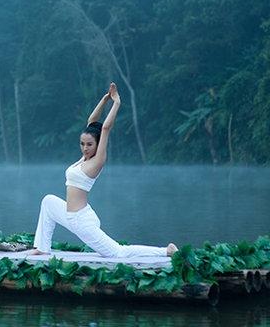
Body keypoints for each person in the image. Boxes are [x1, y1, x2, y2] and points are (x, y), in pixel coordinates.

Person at [31, 82, 178, 258]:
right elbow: (91, 122)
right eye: (82, 144)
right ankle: (42, 247)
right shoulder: (83, 159)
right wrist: (104, 99)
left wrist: (116, 103)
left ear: (98, 144)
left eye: (89, 145)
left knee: (118, 252)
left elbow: (105, 128)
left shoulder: (97, 161)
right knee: (48, 201)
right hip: (74, 215)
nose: (85, 148)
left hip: (81, 221)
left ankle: (166, 251)